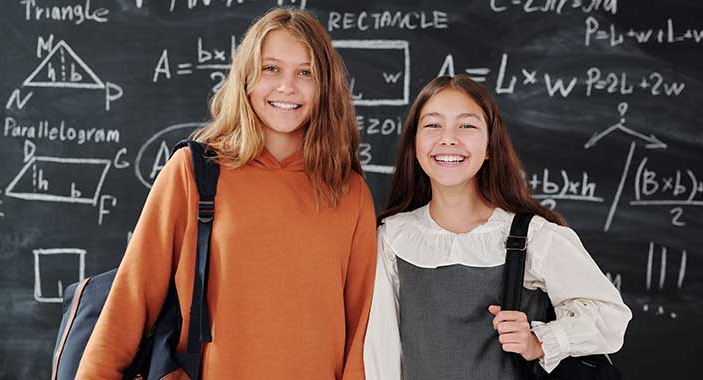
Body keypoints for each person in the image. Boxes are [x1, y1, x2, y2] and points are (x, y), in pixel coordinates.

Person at [78, 8, 377, 380]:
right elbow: (131, 298)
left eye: (306, 72)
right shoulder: (194, 172)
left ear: (325, 86)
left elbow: (362, 334)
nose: (287, 86)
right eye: (271, 69)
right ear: (247, 78)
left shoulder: (349, 193)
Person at [363, 74, 632, 380]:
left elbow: (610, 316)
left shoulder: (532, 236)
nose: (448, 138)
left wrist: (539, 341)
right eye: (433, 125)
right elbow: (380, 351)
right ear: (414, 143)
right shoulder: (392, 238)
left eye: (467, 125)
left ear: (490, 146)